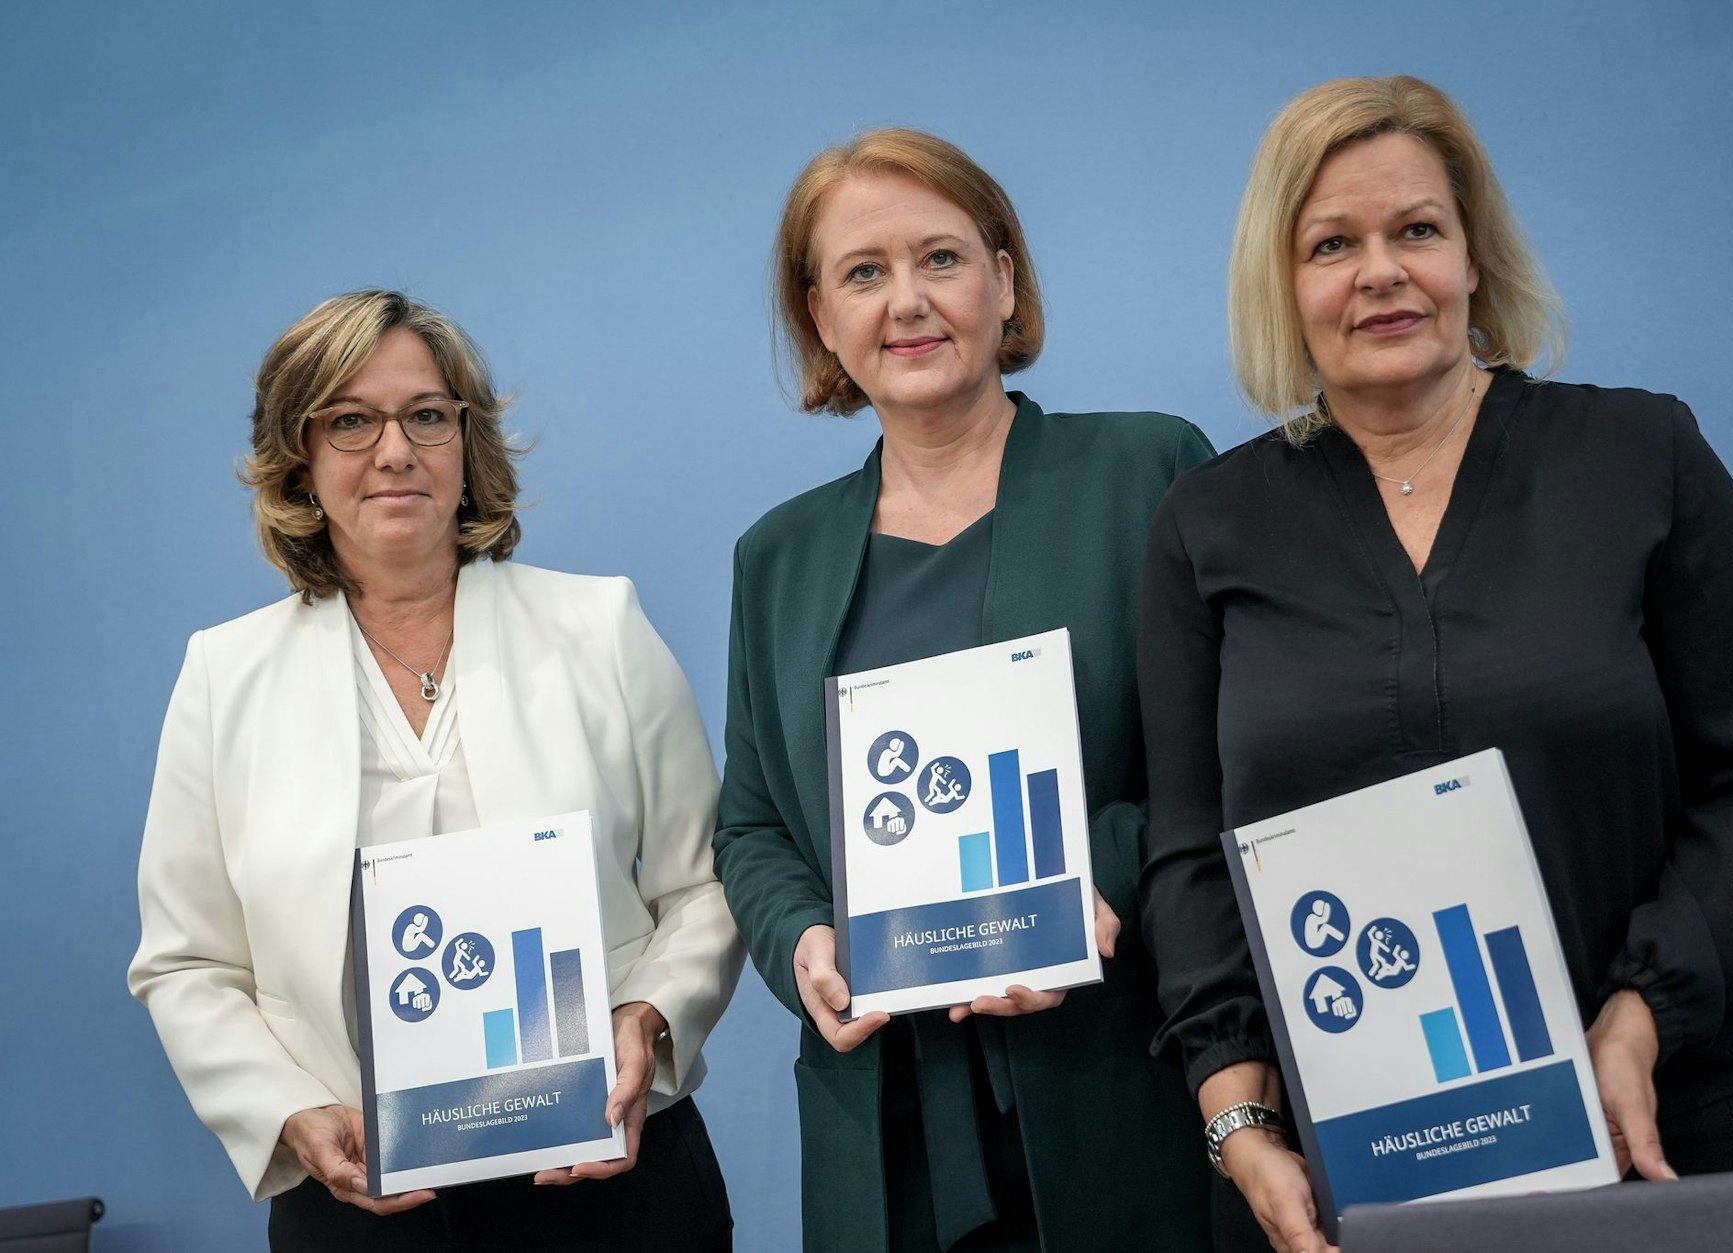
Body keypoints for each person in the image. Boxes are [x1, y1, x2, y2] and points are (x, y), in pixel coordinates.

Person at [1137, 76, 1733, 1253]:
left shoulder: (1639, 455)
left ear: (1472, 254)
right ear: (1281, 282)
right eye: (1331, 243)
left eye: (1416, 229)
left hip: (1660, 1132)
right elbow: (1188, 860)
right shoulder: (1205, 524)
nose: (1380, 271)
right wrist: (1238, 1120)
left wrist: (1637, 1017)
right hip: (1338, 1182)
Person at [128, 290, 743, 1251]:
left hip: (613, 1173)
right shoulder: (224, 676)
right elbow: (187, 961)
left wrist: (649, 1017)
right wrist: (286, 1108)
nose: (394, 449)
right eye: (349, 420)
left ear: (468, 441)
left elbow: (705, 883)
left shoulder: (602, 627)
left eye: (426, 414)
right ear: (299, 457)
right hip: (360, 1195)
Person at [712, 128, 1216, 1251]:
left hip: (1115, 1076)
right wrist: (800, 942)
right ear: (819, 319)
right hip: (885, 1121)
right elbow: (749, 821)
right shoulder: (775, 558)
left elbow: (1224, 757)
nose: (907, 301)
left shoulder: (1147, 472)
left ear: (1005, 279)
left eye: (939, 258)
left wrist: (1104, 882)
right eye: (863, 272)